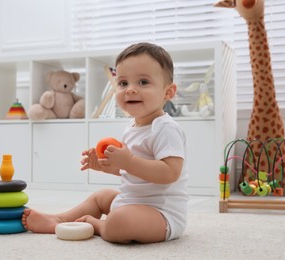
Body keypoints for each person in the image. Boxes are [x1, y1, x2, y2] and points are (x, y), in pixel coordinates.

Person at [22, 42, 189, 244]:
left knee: (120, 221)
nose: (131, 90)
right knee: (101, 196)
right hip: (130, 203)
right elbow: (132, 172)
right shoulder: (132, 127)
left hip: (161, 215)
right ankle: (61, 219)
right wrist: (107, 166)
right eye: (123, 83)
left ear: (168, 92)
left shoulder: (165, 128)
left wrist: (128, 162)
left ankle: (96, 225)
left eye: (143, 82)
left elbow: (170, 173)